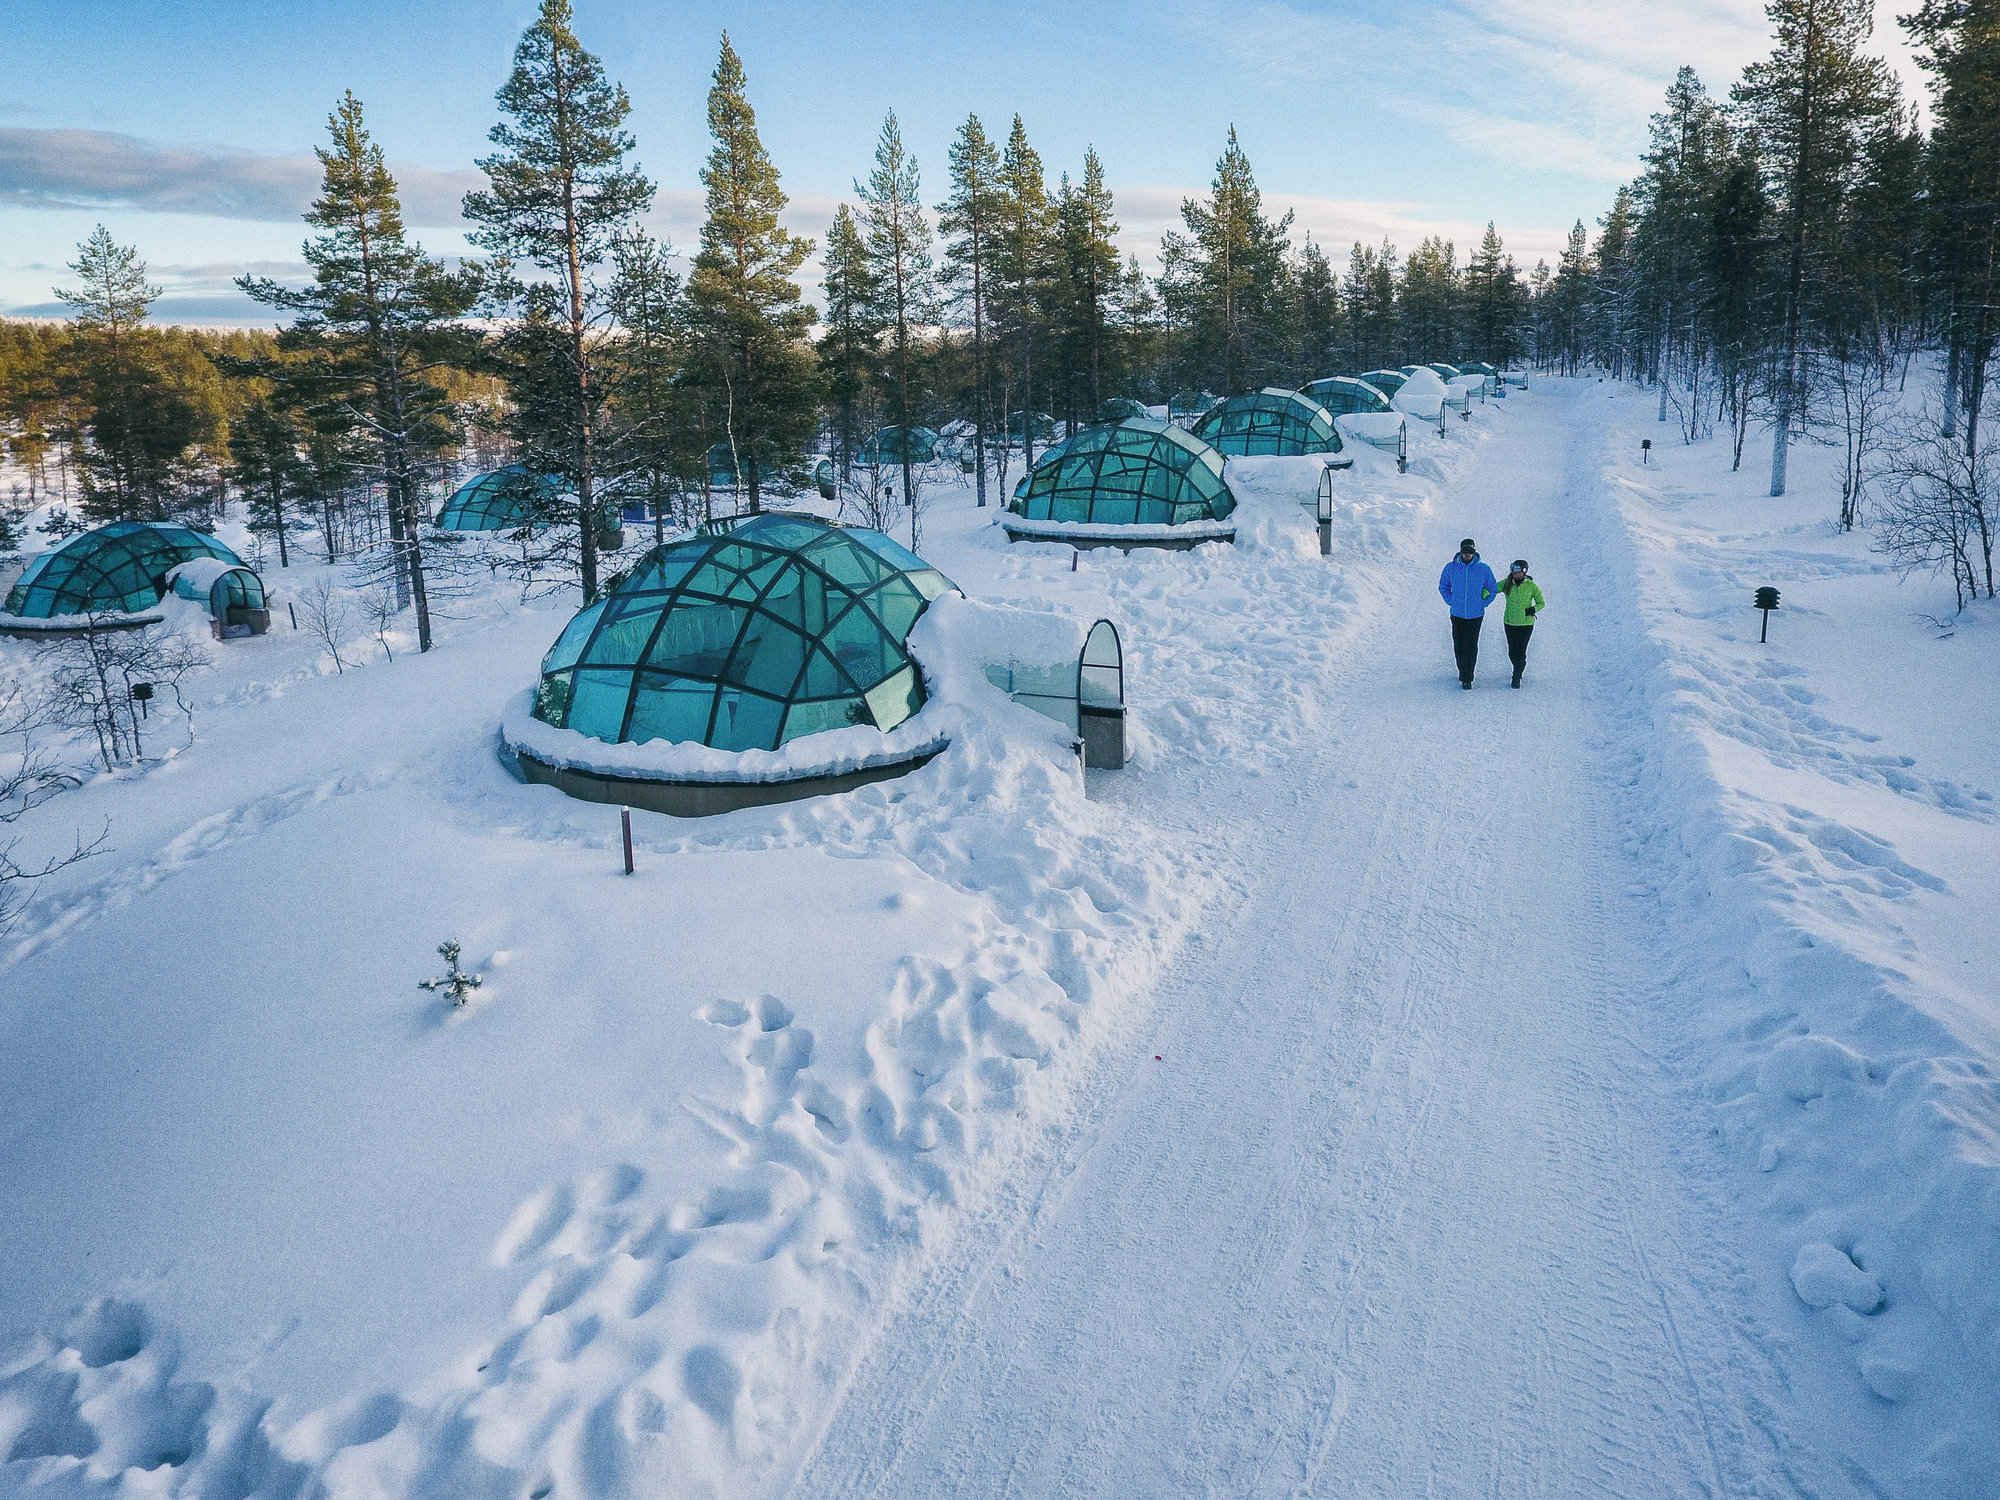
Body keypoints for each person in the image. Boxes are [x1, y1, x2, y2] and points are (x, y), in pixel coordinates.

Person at [1437, 537, 1497, 689]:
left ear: (1474, 552)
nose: (1467, 555)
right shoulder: (1450, 568)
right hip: (1457, 614)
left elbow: (1493, 588)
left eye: (1470, 552)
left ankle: (1467, 677)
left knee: (1471, 646)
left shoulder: (1484, 569)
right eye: (1465, 552)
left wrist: (1483, 602)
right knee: (1459, 645)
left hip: (1475, 615)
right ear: (1460, 552)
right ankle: (1462, 669)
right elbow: (1443, 586)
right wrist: (1451, 601)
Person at [1499, 558, 1546, 688]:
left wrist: (1533, 609)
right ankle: (1517, 668)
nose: (1514, 572)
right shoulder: (1507, 583)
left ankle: (1517, 676)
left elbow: (1541, 602)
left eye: (1518, 569)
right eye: (1513, 568)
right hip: (1509, 623)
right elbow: (1493, 589)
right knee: (1511, 652)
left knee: (1520, 651)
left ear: (1524, 571)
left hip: (1526, 624)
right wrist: (1483, 594)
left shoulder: (1532, 585)